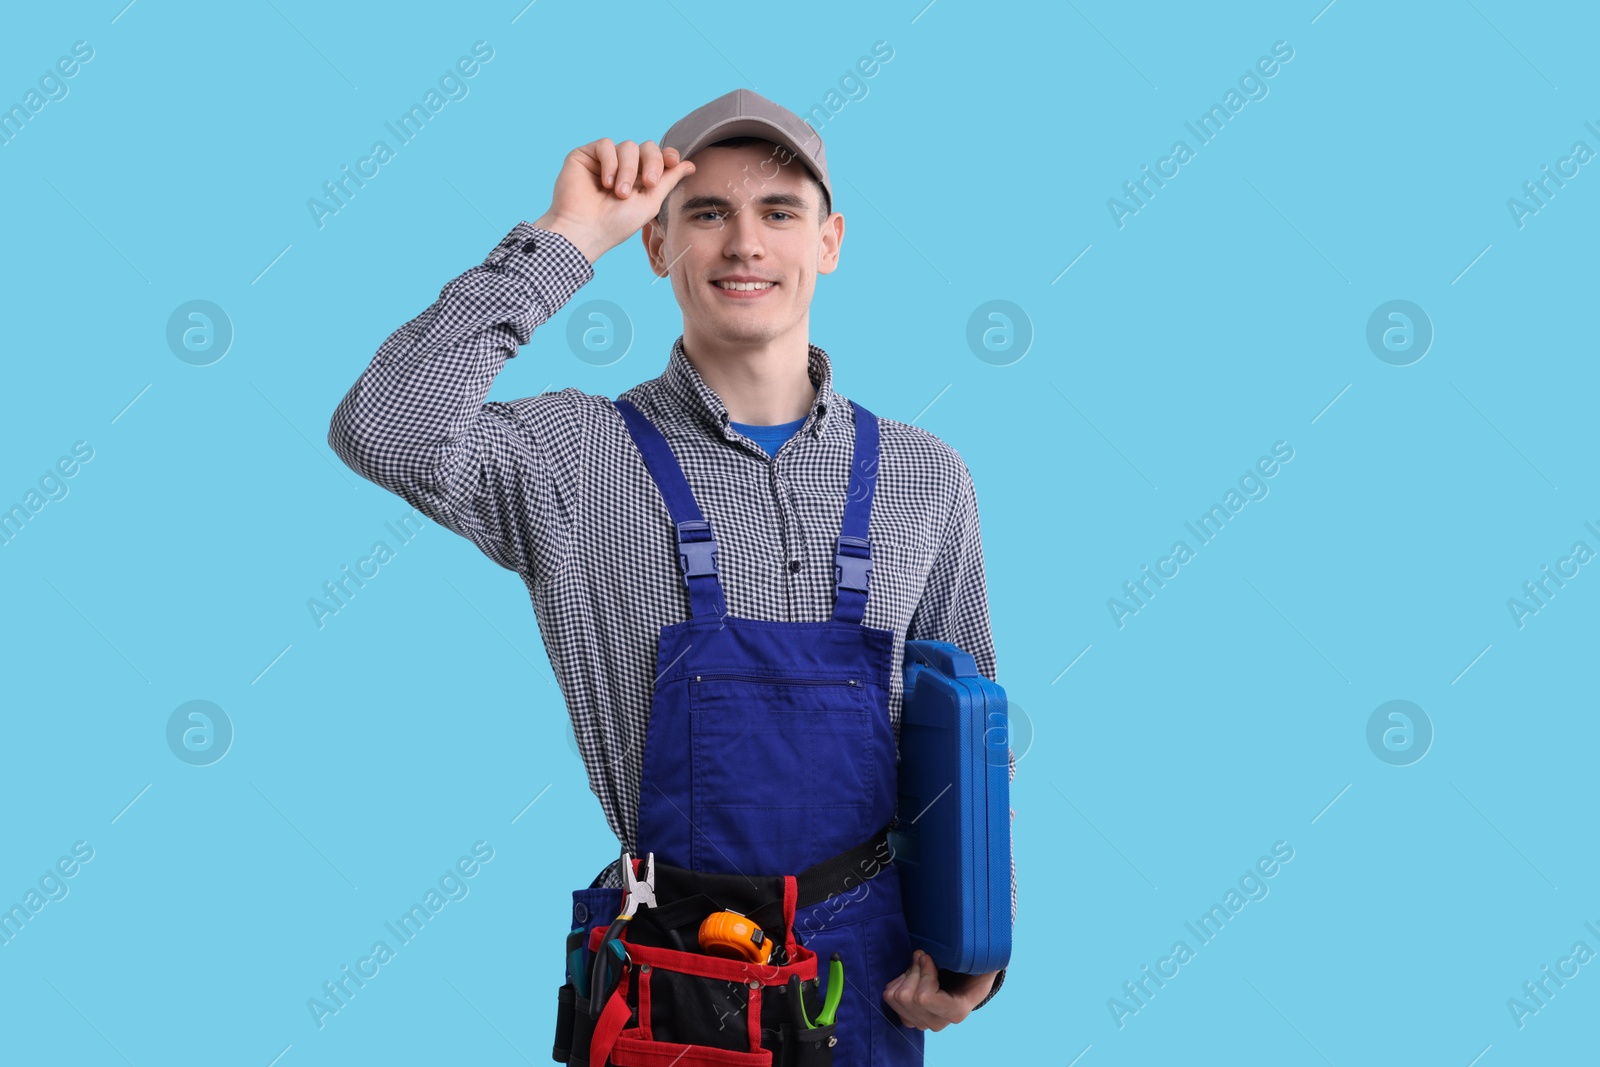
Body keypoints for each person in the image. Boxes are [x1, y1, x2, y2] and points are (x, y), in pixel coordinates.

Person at [328, 88, 1012, 1063]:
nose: (744, 243)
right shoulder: (572, 456)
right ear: (656, 245)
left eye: (779, 211)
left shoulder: (922, 475)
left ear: (830, 241)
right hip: (670, 975)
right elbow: (385, 426)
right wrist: (565, 237)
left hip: (865, 975)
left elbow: (968, 741)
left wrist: (974, 944)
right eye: (705, 212)